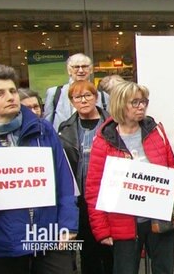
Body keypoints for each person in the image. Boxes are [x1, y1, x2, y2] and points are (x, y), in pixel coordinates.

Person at [85, 81, 174, 274]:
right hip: (123, 223)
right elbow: (94, 188)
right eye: (135, 102)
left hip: (159, 218)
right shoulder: (104, 140)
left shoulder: (155, 131)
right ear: (120, 104)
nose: (141, 106)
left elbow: (173, 171)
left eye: (144, 102)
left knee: (164, 269)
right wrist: (101, 229)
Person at [0, 64, 79, 274]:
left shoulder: (42, 129)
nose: (10, 97)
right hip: (3, 243)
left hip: (49, 236)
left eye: (12, 91)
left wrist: (67, 225)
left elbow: (64, 181)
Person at [57, 80, 112, 274]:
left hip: (107, 197)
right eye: (78, 97)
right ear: (72, 101)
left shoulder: (112, 124)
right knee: (87, 252)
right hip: (80, 200)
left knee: (111, 250)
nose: (83, 100)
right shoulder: (65, 128)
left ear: (96, 97)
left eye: (88, 95)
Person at [43, 53, 109, 131]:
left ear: (91, 70)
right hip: (62, 141)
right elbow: (46, 125)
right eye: (76, 67)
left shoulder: (103, 96)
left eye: (84, 66)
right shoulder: (54, 93)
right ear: (69, 70)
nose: (81, 70)